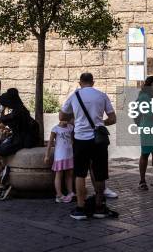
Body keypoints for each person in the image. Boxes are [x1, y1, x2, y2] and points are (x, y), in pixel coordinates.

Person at [59, 72, 116, 220]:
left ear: (80, 82)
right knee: (99, 173)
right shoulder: (102, 95)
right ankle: (99, 207)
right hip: (99, 140)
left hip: (80, 139)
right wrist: (100, 123)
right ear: (93, 82)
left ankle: (80, 208)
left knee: (80, 174)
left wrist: (75, 119)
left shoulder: (74, 96)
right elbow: (113, 118)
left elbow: (62, 116)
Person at [0, 88, 39, 200]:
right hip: (15, 138)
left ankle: (3, 185)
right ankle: (3, 171)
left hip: (18, 141)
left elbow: (1, 120)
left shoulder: (17, 113)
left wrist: (2, 109)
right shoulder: (20, 109)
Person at [44, 118, 75, 203]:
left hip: (69, 154)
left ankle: (70, 192)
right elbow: (50, 143)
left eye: (68, 119)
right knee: (59, 174)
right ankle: (59, 195)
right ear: (60, 119)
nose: (67, 121)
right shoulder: (55, 129)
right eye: (66, 119)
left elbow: (72, 140)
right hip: (60, 155)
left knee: (69, 174)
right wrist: (47, 155)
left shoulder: (70, 127)